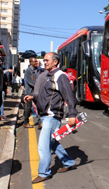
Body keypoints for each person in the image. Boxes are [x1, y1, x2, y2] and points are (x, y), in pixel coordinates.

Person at [24, 52, 78, 184]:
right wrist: (33, 97)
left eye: (47, 60)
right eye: (44, 60)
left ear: (55, 62)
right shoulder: (49, 75)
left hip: (52, 116)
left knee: (43, 146)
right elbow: (47, 95)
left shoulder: (60, 76)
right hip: (45, 116)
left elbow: (70, 96)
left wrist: (72, 115)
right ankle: (68, 162)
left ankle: (44, 172)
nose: (44, 62)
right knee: (52, 143)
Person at [23, 57, 39, 128]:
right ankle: (26, 122)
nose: (36, 63)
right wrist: (38, 86)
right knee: (28, 108)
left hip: (35, 92)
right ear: (31, 62)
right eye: (35, 61)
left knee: (39, 106)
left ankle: (40, 122)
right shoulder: (28, 71)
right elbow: (30, 81)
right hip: (29, 92)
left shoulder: (36, 70)